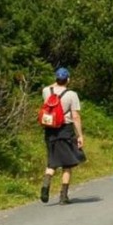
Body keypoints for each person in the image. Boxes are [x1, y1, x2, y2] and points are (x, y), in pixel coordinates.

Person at [40, 67, 85, 205]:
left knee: (52, 160)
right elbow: (75, 116)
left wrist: (56, 83)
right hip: (65, 129)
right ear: (68, 79)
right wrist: (80, 135)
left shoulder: (47, 91)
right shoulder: (72, 94)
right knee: (67, 164)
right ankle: (63, 196)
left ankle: (46, 182)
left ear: (56, 79)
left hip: (50, 129)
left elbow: (50, 87)